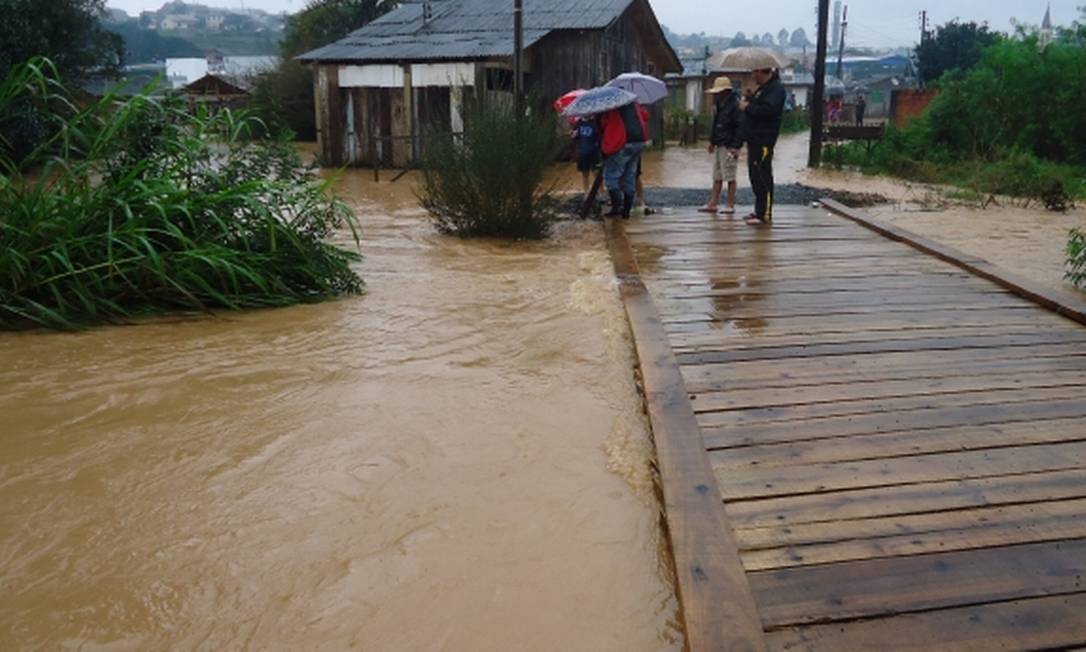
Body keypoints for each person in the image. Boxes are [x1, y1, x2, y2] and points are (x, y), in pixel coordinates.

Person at [740, 66, 786, 225]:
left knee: (762, 176)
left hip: (764, 140)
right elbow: (759, 106)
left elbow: (768, 110)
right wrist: (751, 98)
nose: (753, 75)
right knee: (755, 176)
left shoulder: (777, 89)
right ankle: (759, 210)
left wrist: (748, 106)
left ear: (763, 72)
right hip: (754, 139)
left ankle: (764, 214)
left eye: (755, 72)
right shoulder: (764, 89)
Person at [699, 76, 742, 215]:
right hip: (719, 144)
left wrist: (736, 147)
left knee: (730, 175)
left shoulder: (735, 106)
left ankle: (730, 204)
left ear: (725, 91)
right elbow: (716, 125)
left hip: (729, 145)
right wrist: (712, 142)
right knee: (717, 175)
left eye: (718, 92)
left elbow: (739, 128)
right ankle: (713, 203)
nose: (716, 95)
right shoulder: (719, 105)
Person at [599, 101, 648, 219]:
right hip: (638, 143)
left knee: (611, 176)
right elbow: (646, 116)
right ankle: (626, 212)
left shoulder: (611, 106)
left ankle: (616, 208)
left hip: (622, 143)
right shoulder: (634, 103)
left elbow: (604, 124)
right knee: (629, 176)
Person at [572, 117, 601, 200]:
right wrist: (574, 135)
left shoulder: (595, 123)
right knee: (585, 173)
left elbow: (599, 136)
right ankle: (586, 192)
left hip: (594, 152)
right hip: (583, 152)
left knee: (596, 172)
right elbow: (574, 136)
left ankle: (599, 192)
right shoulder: (578, 123)